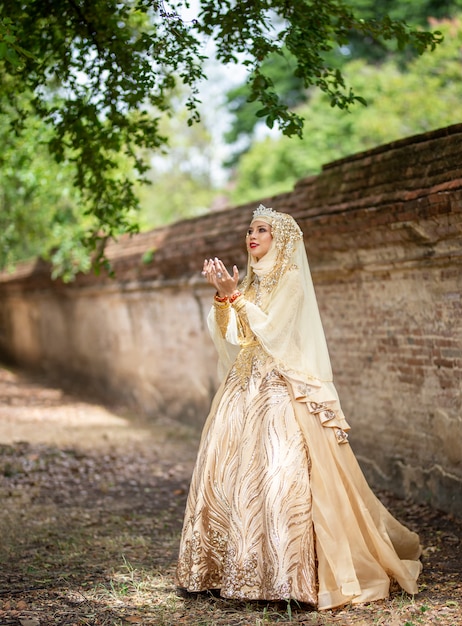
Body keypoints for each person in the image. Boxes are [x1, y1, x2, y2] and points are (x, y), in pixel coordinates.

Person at [176, 205, 422, 610]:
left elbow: (272, 332)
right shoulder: (250, 284)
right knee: (227, 473)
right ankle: (223, 569)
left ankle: (285, 575)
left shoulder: (290, 280)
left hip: (279, 393)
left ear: (282, 239)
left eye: (261, 230)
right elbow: (238, 338)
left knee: (279, 474)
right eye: (250, 230)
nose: (251, 236)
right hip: (243, 390)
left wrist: (235, 297)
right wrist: (224, 298)